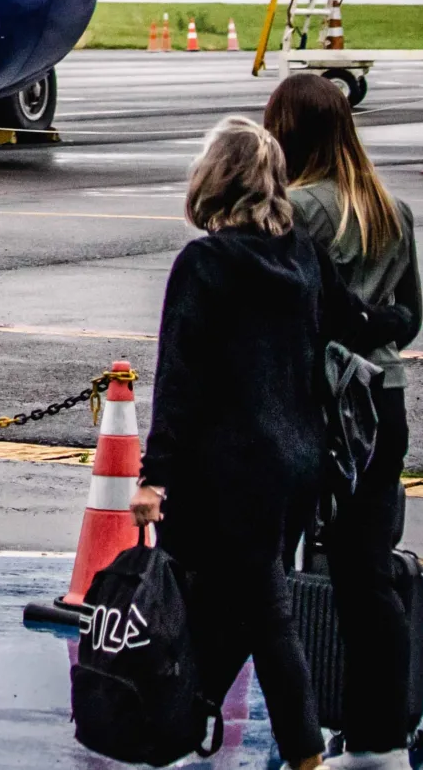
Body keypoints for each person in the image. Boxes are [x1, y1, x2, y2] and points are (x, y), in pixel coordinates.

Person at [130, 117, 335, 770]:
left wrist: (154, 476)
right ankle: (188, 727)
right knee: (246, 609)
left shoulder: (206, 262)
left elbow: (182, 379)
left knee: (252, 614)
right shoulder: (301, 254)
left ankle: (289, 749)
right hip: (293, 466)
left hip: (223, 473)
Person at [268, 75, 423, 768]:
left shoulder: (295, 209)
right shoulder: (392, 208)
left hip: (308, 401)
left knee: (265, 570)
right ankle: (380, 735)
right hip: (381, 398)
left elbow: (284, 311)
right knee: (368, 578)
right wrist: (376, 325)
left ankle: (266, 719)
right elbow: (411, 317)